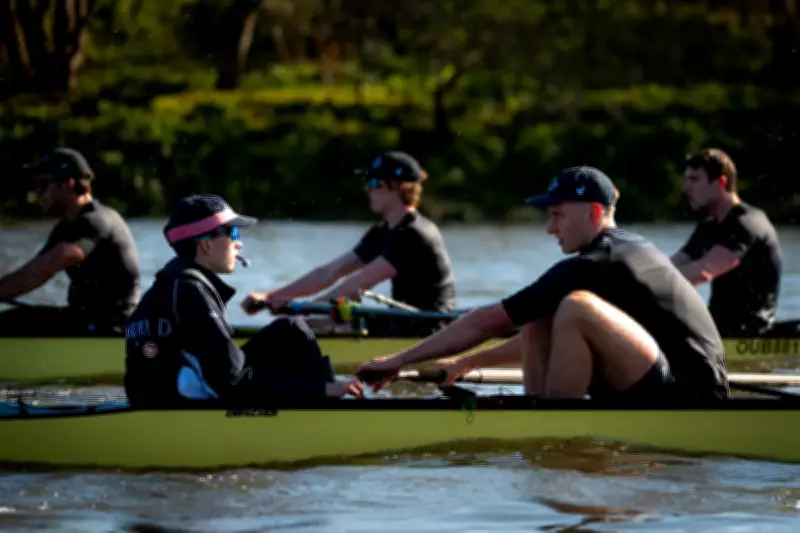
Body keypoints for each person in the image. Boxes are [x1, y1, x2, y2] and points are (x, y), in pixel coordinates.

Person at [355, 166, 730, 402]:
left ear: (594, 212)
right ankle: (540, 408)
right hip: (669, 375)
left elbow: (486, 321)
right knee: (540, 312)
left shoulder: (597, 263)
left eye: (557, 215)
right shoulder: (630, 245)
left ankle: (552, 421)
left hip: (692, 393)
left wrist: (399, 360)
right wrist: (466, 363)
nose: (550, 227)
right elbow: (534, 328)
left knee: (576, 306)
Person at [124, 194, 362, 408]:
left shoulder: (167, 284)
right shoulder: (191, 290)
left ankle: (326, 398)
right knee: (295, 330)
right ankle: (329, 406)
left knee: (287, 329)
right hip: (181, 404)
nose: (240, 243)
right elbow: (232, 382)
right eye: (233, 233)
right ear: (205, 244)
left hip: (160, 395)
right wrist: (318, 389)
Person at [241, 151, 456, 337]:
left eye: (374, 184)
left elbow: (358, 284)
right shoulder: (383, 231)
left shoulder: (414, 234)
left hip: (431, 328)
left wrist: (301, 311)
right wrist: (274, 296)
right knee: (313, 322)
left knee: (309, 323)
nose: (367, 190)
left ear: (398, 188)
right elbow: (331, 272)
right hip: (405, 321)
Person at [0, 147, 141, 336]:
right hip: (86, 320)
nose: (38, 193)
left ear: (69, 184)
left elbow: (47, 267)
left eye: (43, 185)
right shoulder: (66, 228)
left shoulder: (96, 220)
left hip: (114, 326)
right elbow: (32, 273)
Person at [670, 148, 783, 338]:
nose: (686, 188)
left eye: (694, 179)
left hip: (750, 334)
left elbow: (703, 271)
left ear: (720, 182)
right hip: (719, 330)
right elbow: (670, 267)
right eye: (686, 179)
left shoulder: (747, 223)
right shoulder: (708, 227)